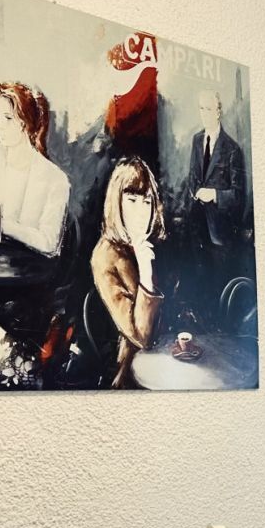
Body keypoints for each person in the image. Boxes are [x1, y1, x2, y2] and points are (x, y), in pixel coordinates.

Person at [0, 82, 70, 256]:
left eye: (8, 118)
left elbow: (49, 243)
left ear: (26, 121)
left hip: (28, 267)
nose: (0, 125)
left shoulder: (55, 179)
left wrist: (1, 224)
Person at [91, 157, 168, 389]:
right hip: (130, 373)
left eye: (147, 202)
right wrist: (145, 271)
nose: (141, 212)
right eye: (132, 200)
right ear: (117, 203)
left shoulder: (142, 245)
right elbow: (140, 336)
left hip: (162, 356)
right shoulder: (106, 256)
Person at [182, 90, 247, 327]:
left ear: (219, 111)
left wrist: (214, 195)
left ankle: (216, 330)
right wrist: (194, 193)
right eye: (201, 109)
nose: (204, 114)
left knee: (216, 287)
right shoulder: (197, 141)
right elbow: (192, 177)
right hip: (196, 226)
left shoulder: (232, 150)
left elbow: (239, 196)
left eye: (209, 109)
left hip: (220, 232)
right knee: (196, 282)